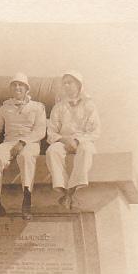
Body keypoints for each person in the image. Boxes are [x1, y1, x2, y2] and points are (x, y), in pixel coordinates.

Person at [0, 72, 47, 221]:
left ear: (27, 89)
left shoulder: (37, 107)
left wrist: (23, 142)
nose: (17, 88)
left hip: (30, 142)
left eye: (21, 85)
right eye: (14, 85)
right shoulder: (4, 108)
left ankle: (27, 202)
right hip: (9, 142)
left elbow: (40, 131)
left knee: (26, 157)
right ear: (10, 89)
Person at [45, 70, 101, 209]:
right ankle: (63, 190)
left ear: (78, 85)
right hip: (63, 141)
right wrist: (64, 140)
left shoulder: (89, 105)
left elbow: (95, 132)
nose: (67, 86)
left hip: (84, 141)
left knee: (86, 150)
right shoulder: (59, 107)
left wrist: (77, 141)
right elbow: (51, 132)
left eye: (70, 83)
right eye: (64, 83)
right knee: (52, 151)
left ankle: (73, 191)